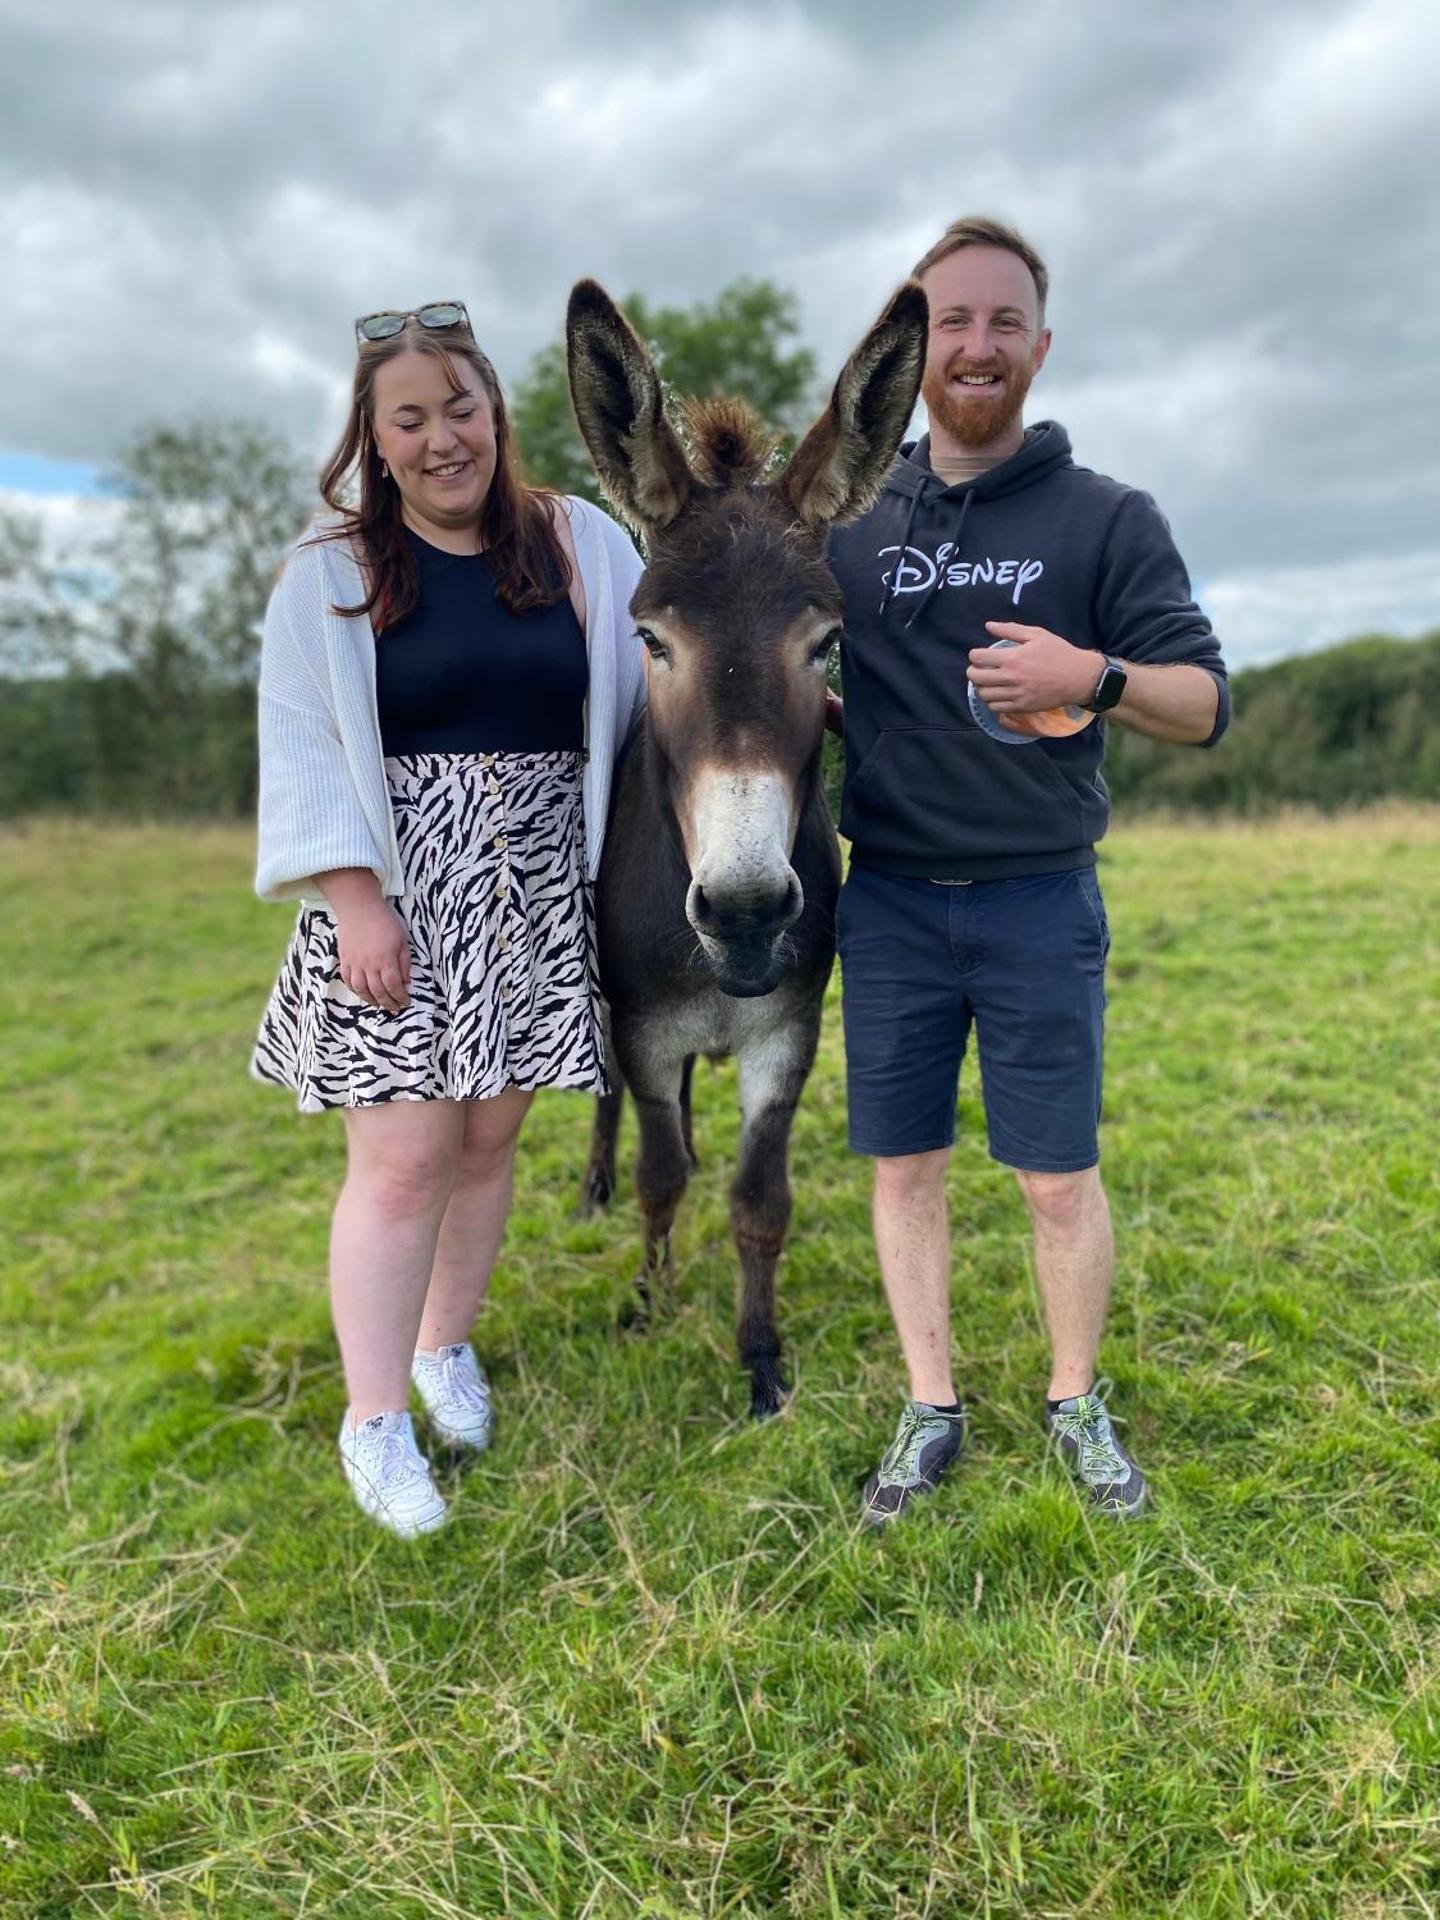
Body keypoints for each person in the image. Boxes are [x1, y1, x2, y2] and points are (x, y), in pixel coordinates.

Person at [827, 218, 1229, 1526]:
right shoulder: (847, 521)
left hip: (1039, 899)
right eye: (953, 322)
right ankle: (930, 1406)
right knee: (907, 1169)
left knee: (1055, 1176)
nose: (979, 345)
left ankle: (1074, 1400)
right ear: (913, 347)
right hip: (886, 899)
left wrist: (1090, 679)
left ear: (1041, 347)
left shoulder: (1108, 518)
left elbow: (1205, 703)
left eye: (1004, 322)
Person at [251, 301, 645, 1536]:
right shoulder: (332, 567)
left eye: (459, 408)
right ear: (374, 438)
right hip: (401, 899)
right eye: (408, 419)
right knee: (406, 1157)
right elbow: (305, 742)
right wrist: (354, 901)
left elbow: (656, 681)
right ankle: (373, 1421)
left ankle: (443, 1348)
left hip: (538, 889)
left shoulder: (581, 541)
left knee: (486, 1146)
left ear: (496, 413)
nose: (441, 439)